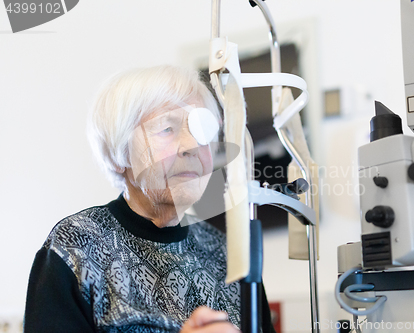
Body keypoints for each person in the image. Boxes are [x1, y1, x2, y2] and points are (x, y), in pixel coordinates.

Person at [24, 65, 275, 333]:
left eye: (201, 129)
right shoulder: (75, 246)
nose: (192, 146)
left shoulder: (227, 252)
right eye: (167, 128)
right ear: (119, 153)